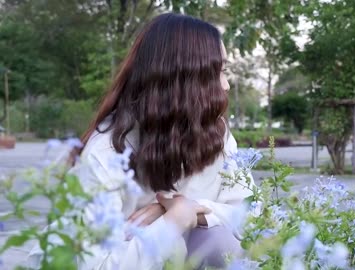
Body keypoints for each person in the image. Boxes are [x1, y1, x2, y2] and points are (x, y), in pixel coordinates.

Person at [27, 13, 253, 269]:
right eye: (219, 72)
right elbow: (95, 265)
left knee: (217, 239)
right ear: (182, 83)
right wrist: (173, 222)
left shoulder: (216, 133)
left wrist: (187, 209)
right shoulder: (106, 154)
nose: (226, 86)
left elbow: (251, 214)